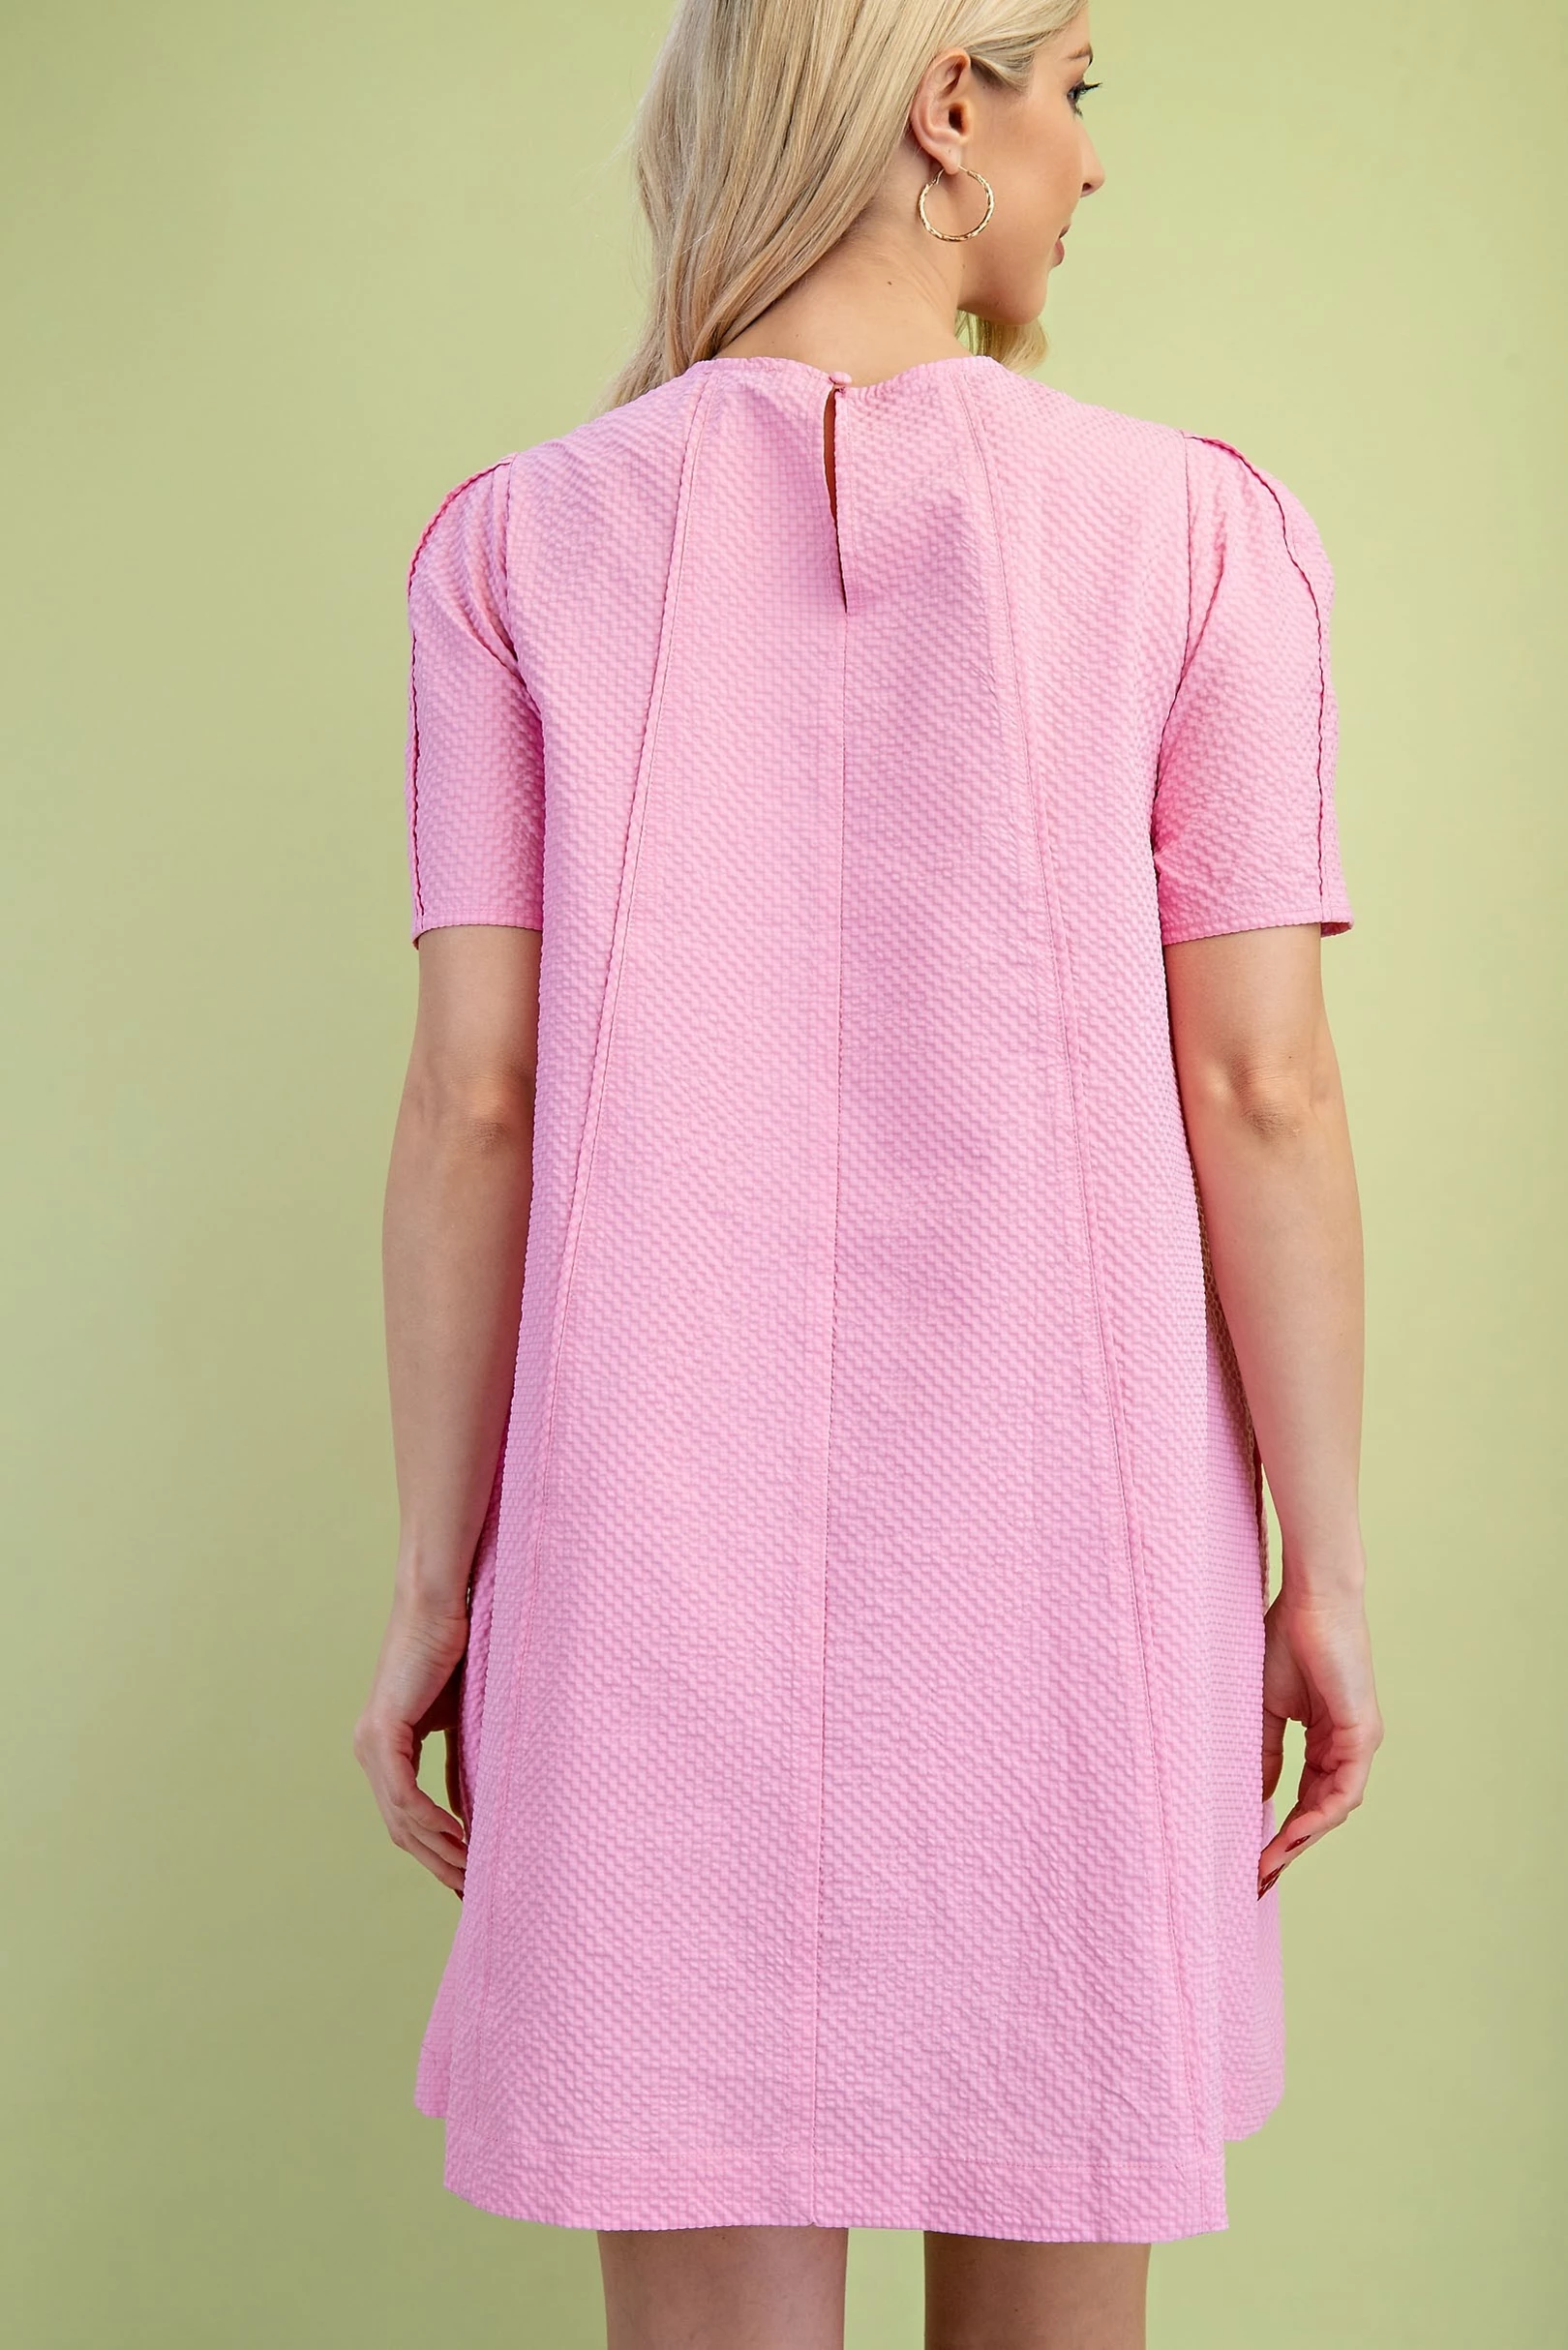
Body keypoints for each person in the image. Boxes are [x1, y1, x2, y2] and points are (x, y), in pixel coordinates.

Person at [353, 2, 1385, 2341]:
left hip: (645, 1581)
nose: (1091, 162)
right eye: (1075, 90)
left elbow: (472, 1101)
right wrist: (1320, 1567)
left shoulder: (515, 548)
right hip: (1080, 1581)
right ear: (948, 106)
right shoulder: (1198, 538)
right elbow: (1264, 1087)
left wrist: (436, 1577)